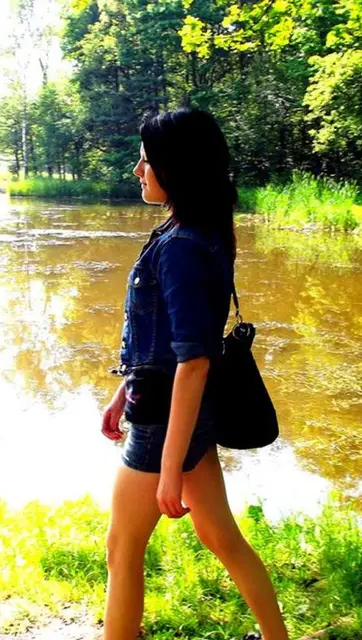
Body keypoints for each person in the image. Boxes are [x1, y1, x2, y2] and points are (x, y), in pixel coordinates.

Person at [101, 107, 289, 640]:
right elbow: (164, 341)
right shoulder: (194, 231)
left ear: (175, 166)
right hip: (184, 413)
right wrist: (124, 390)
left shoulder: (181, 246)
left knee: (121, 548)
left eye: (146, 160)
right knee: (220, 536)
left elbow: (194, 360)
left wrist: (168, 466)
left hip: (166, 422)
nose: (137, 170)